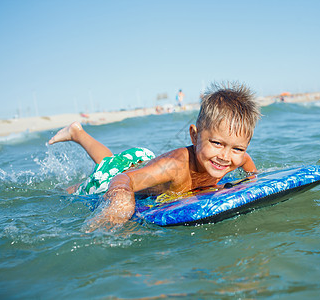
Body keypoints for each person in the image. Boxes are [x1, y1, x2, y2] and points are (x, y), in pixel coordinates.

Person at [49, 82, 261, 226]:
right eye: (216, 143)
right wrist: (121, 200)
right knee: (85, 185)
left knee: (108, 161)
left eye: (237, 148)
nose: (225, 156)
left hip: (144, 161)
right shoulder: (175, 166)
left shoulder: (230, 158)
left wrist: (253, 176)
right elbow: (122, 178)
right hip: (123, 174)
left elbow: (245, 161)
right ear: (194, 136)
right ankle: (63, 185)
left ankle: (77, 132)